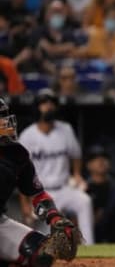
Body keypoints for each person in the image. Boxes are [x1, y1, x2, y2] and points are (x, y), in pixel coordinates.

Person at [0, 98, 80, 266]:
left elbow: (37, 194)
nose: (5, 122)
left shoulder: (16, 154)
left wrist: (54, 217)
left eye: (5, 116)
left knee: (44, 254)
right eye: (0, 118)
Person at [18, 89, 95, 245]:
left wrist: (77, 173)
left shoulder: (65, 129)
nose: (49, 107)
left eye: (51, 103)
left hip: (64, 188)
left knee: (84, 201)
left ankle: (89, 248)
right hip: (41, 194)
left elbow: (76, 154)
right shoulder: (27, 136)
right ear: (37, 107)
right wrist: (25, 204)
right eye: (44, 103)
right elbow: (20, 172)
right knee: (46, 242)